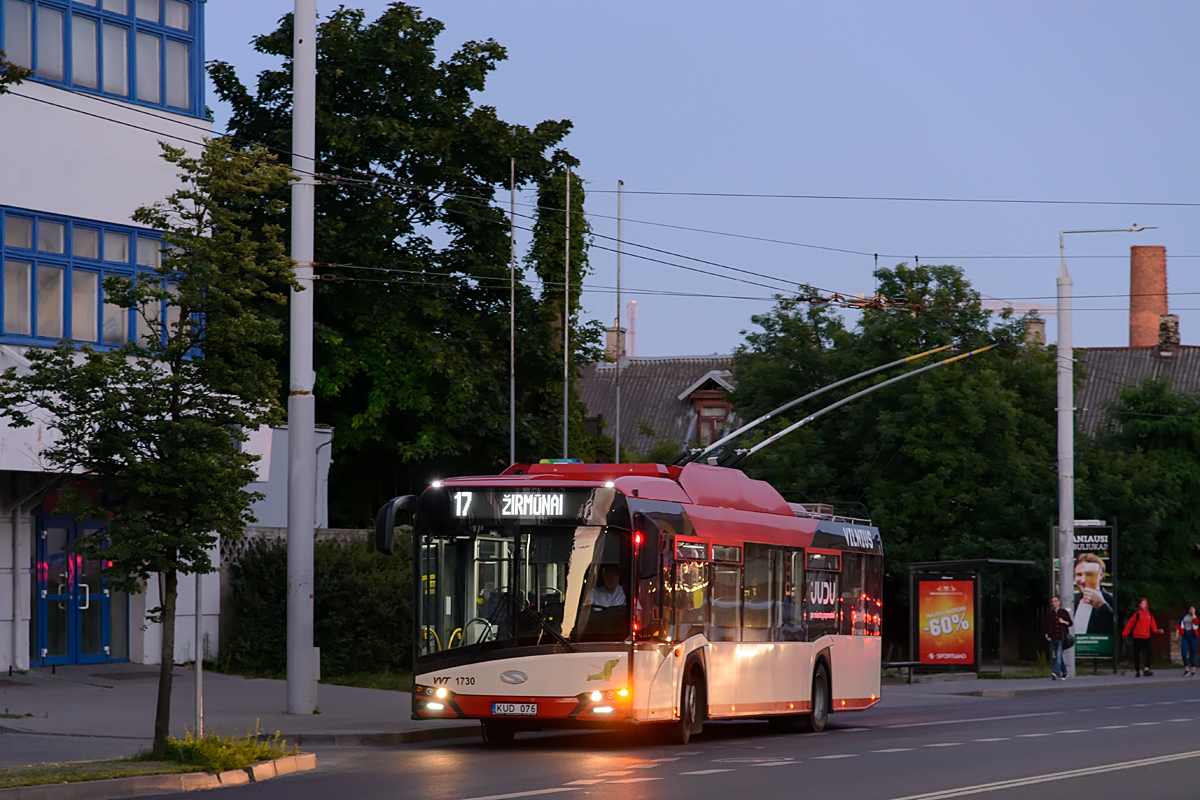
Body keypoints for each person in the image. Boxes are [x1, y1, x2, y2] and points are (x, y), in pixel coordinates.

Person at [1072, 553, 1115, 636]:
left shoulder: (1111, 601)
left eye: (1089, 575)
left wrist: (1101, 605)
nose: (1083, 580)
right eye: (1079, 575)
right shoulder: (1072, 601)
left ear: (1101, 575)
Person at [1122, 597, 1165, 677]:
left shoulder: (1149, 615)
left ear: (1146, 605)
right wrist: (1125, 633)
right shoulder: (1137, 614)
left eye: (1144, 603)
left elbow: (1153, 626)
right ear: (1139, 605)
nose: (1143, 605)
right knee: (1136, 654)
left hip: (1146, 637)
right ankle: (1137, 670)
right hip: (1137, 637)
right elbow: (1130, 624)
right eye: (1142, 603)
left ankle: (1146, 669)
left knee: (1150, 652)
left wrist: (1158, 631)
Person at [1043, 595, 1073, 680]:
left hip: (1062, 637)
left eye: (1056, 601)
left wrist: (1063, 621)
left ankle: (1055, 672)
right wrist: (1046, 634)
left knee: (1059, 654)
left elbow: (1070, 623)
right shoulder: (1050, 614)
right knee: (1058, 655)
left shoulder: (1063, 612)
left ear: (1059, 602)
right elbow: (1046, 625)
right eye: (1053, 602)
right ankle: (1065, 672)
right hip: (1053, 637)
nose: (1054, 603)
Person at [1178, 605, 1198, 677]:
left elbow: (1196, 622)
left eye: (1193, 609)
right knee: (1183, 652)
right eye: (1190, 609)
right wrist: (1178, 633)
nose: (1191, 610)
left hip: (1193, 636)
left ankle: (1193, 670)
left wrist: (1193, 614)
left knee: (1193, 653)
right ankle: (1186, 668)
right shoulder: (1184, 616)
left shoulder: (1196, 616)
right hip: (1186, 635)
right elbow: (1179, 624)